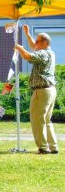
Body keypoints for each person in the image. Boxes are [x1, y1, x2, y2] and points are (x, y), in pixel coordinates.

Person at [15, 25, 58, 154]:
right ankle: (53, 146)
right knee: (46, 120)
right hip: (49, 90)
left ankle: (43, 148)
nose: (35, 43)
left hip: (42, 91)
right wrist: (27, 34)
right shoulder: (49, 52)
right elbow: (34, 47)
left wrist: (19, 48)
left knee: (37, 119)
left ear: (45, 43)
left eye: (38, 41)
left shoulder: (43, 53)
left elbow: (28, 56)